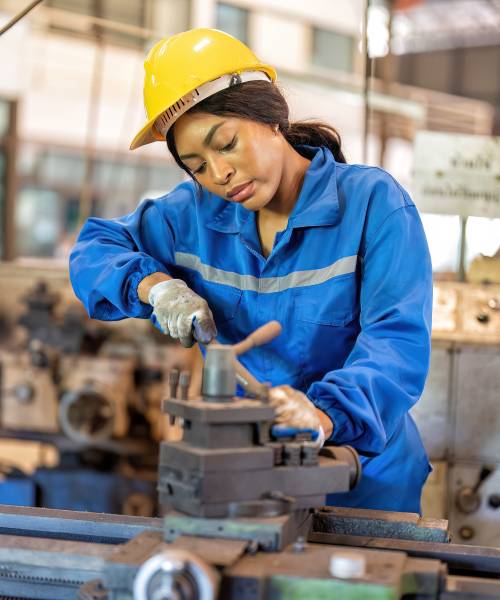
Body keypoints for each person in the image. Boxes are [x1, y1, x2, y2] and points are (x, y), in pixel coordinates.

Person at [70, 28, 433, 512]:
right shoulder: (194, 217)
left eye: (226, 143)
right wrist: (153, 286)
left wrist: (326, 412)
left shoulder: (373, 205)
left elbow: (397, 341)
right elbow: (94, 247)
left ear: (272, 117)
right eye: (197, 165)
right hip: (250, 472)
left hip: (362, 474)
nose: (218, 173)